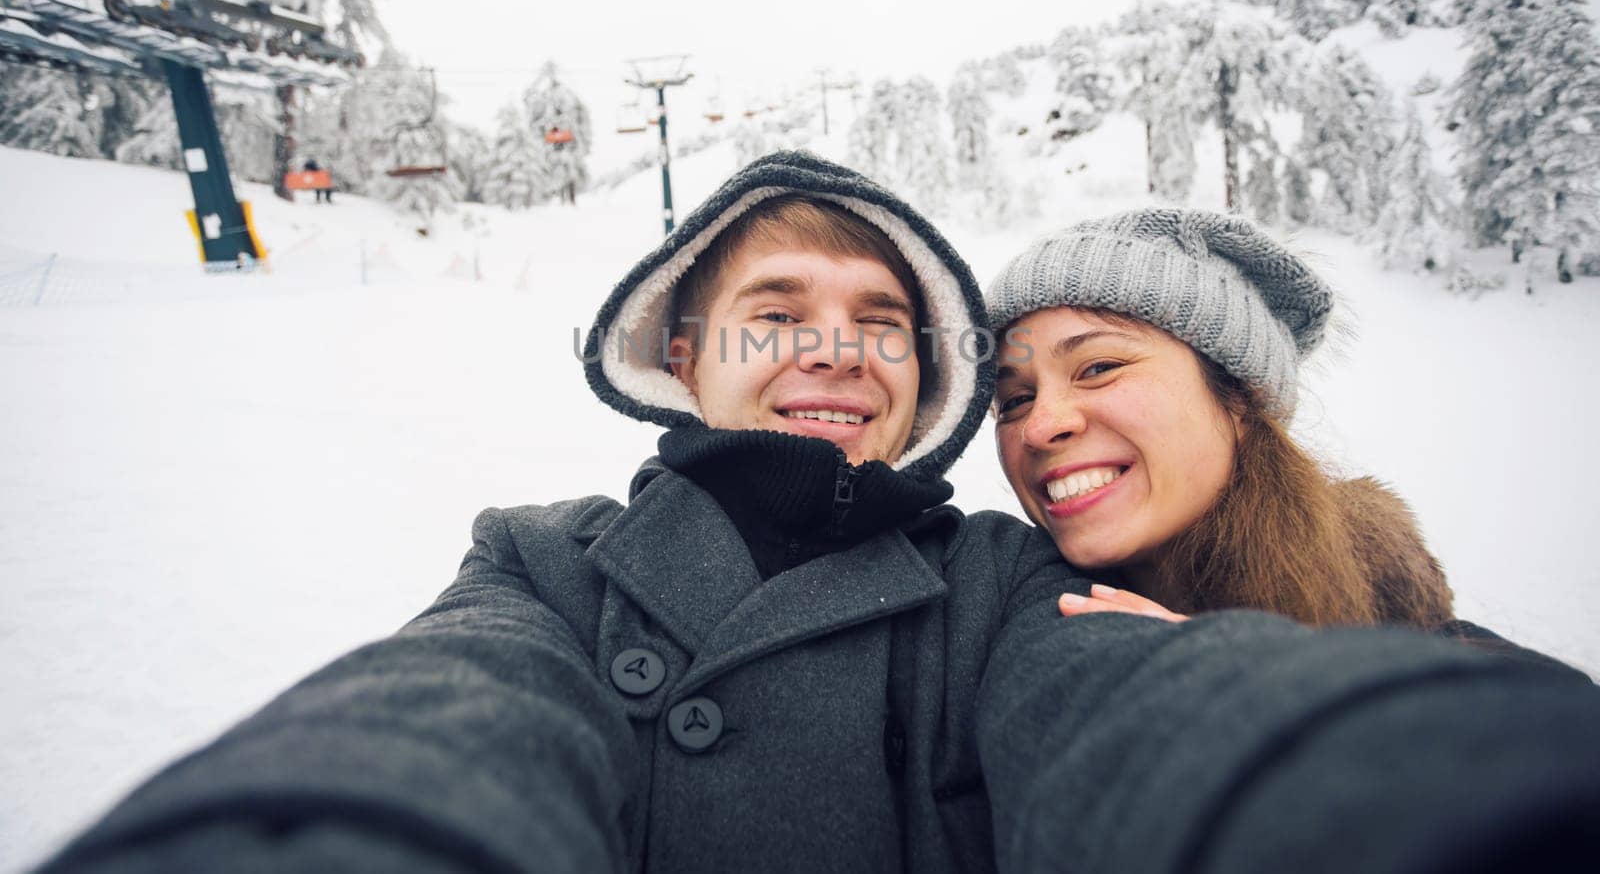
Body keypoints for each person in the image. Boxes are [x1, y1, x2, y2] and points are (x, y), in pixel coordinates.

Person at [40, 155, 1600, 872]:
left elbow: (1147, 706)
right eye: (773, 311)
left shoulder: (999, 582)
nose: (833, 347)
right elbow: (439, 723)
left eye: (880, 319)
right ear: (683, 357)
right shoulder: (541, 560)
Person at [985, 207, 1581, 670]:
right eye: (1013, 400)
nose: (1040, 426)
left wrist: (1275, 695)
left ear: (1240, 398)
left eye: (1098, 368)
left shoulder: (1402, 624)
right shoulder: (1001, 614)